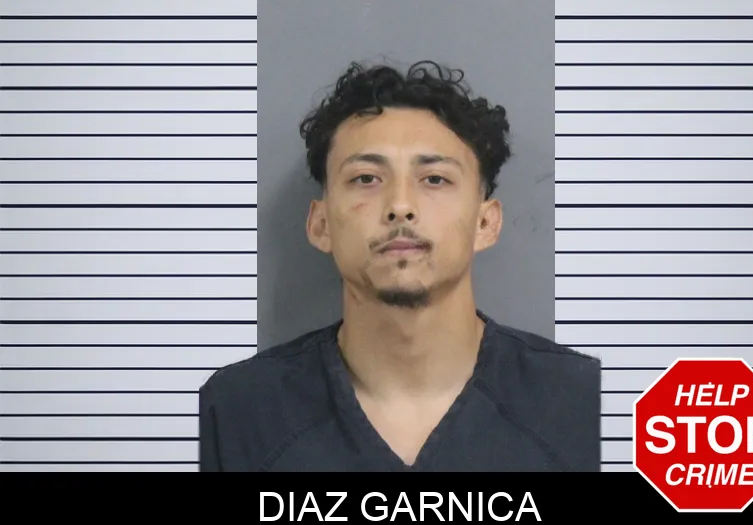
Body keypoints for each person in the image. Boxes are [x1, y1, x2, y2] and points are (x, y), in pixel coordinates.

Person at [199, 60, 601, 472]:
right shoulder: (237, 413)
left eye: (435, 179)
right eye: (366, 178)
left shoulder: (585, 403)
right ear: (321, 225)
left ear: (485, 223)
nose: (400, 206)